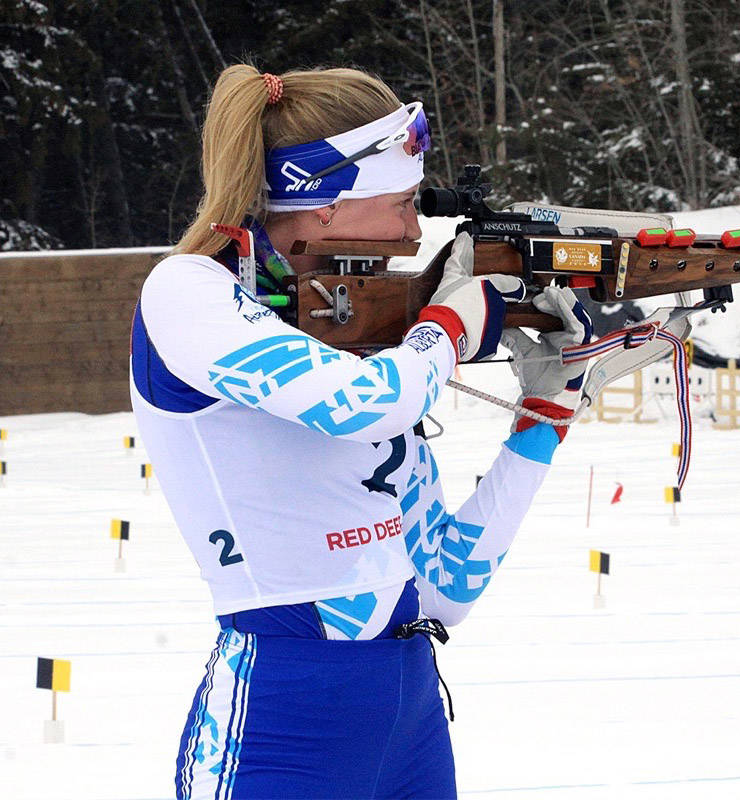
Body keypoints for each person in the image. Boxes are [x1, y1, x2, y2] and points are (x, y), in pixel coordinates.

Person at [130, 64, 592, 800]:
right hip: (282, 717)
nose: (414, 228)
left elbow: (442, 588)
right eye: (404, 203)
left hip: (408, 710)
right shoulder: (188, 292)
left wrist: (547, 413)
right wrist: (447, 324)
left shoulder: (361, 339)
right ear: (320, 203)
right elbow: (364, 406)